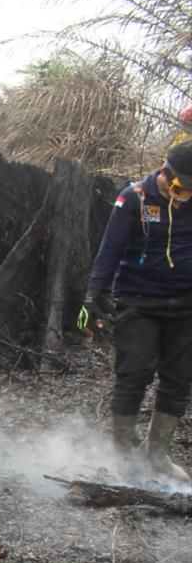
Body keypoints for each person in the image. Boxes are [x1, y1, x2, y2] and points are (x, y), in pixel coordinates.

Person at [77, 141, 192, 484]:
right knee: (134, 373)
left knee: (179, 379)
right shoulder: (134, 198)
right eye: (181, 185)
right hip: (139, 301)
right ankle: (122, 456)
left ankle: (156, 455)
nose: (184, 194)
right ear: (166, 173)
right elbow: (109, 252)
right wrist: (91, 298)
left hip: (186, 304)